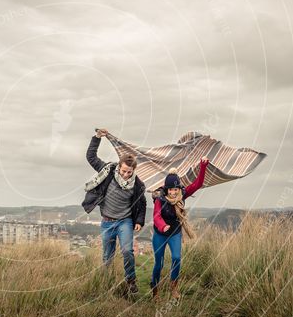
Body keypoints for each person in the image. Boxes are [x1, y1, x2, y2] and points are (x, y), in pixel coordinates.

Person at [82, 128, 146, 295]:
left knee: (127, 251)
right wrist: (97, 137)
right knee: (107, 257)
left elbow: (143, 203)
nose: (125, 175)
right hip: (107, 221)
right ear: (119, 166)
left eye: (129, 172)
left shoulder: (137, 184)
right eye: (123, 171)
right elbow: (91, 157)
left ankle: (131, 281)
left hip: (125, 221)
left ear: (133, 171)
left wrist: (139, 221)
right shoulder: (108, 171)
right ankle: (106, 282)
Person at [151, 158, 209, 300]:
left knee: (176, 258)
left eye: (176, 189)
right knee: (159, 263)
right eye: (171, 189)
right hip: (160, 234)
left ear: (179, 189)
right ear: (166, 189)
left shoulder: (182, 195)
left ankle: (174, 286)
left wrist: (203, 166)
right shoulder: (160, 199)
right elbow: (156, 216)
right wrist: (163, 226)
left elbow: (198, 184)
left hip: (175, 233)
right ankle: (155, 290)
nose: (174, 192)